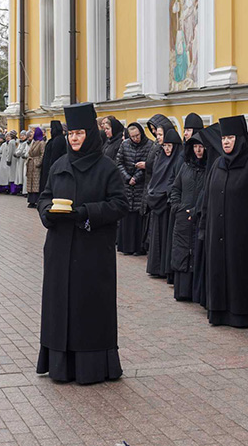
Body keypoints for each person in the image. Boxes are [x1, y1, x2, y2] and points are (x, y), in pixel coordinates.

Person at [37, 102, 128, 385]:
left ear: (90, 134)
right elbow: (44, 196)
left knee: (88, 309)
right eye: (70, 134)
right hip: (60, 249)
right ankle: (60, 365)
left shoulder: (107, 168)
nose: (74, 138)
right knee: (59, 307)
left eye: (79, 133)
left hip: (92, 253)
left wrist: (87, 211)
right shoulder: (59, 164)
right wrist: (47, 212)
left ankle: (91, 367)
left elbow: (120, 204)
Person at [198, 116, 248, 327]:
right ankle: (218, 312)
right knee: (218, 273)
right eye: (223, 138)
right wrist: (203, 229)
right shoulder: (218, 164)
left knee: (239, 275)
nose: (226, 142)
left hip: (241, 237)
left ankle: (241, 315)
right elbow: (206, 199)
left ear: (240, 139)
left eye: (230, 138)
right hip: (216, 234)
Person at [169, 133, 207, 301]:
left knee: (197, 251)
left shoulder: (209, 169)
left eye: (201, 147)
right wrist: (177, 206)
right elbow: (176, 188)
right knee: (181, 251)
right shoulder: (185, 167)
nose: (198, 150)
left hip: (199, 216)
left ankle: (196, 292)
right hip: (182, 217)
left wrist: (196, 210)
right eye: (195, 147)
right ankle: (183, 291)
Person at [145, 127, 183, 279]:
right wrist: (152, 193)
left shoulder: (177, 161)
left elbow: (174, 182)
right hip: (156, 202)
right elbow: (155, 179)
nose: (167, 149)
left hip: (167, 205)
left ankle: (164, 268)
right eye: (165, 146)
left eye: (170, 146)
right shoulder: (160, 159)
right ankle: (156, 267)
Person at [115, 122, 150, 255]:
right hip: (127, 185)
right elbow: (119, 162)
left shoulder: (149, 145)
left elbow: (149, 163)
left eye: (137, 135)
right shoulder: (125, 145)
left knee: (138, 218)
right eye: (133, 136)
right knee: (127, 216)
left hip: (140, 186)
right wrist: (127, 177)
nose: (136, 138)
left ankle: (138, 247)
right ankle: (126, 247)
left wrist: (136, 177)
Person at [39, 121, 67, 197]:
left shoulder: (58, 140)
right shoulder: (54, 139)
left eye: (52, 129)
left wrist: (51, 168)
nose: (51, 131)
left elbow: (55, 155)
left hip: (52, 167)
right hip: (48, 167)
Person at [26, 126, 47, 207]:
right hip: (31, 164)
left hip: (36, 164)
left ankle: (35, 199)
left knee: (35, 183)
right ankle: (31, 200)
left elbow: (43, 154)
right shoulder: (34, 142)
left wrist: (38, 163)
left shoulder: (41, 143)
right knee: (30, 182)